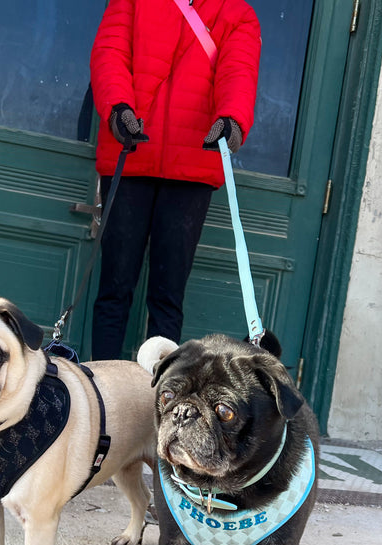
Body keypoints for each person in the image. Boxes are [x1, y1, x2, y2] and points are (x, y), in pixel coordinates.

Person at [89, 0, 261, 360]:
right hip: (132, 151)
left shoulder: (237, 14)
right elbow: (110, 55)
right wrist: (118, 107)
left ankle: (160, 388)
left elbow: (238, 74)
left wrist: (231, 119)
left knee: (167, 298)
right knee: (113, 289)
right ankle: (101, 382)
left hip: (191, 166)